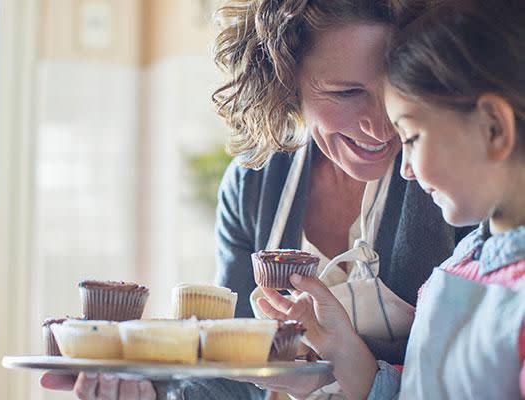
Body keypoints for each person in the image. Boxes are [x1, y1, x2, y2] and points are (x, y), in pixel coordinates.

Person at [40, 0, 472, 398]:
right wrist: (154, 394)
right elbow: (234, 376)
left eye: (395, 87)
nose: (380, 127)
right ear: (286, 80)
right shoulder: (252, 186)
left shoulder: (452, 181)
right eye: (345, 93)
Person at [259, 0, 525, 398]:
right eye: (348, 92)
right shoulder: (463, 263)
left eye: (411, 138)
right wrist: (340, 351)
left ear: (493, 129)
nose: (404, 167)